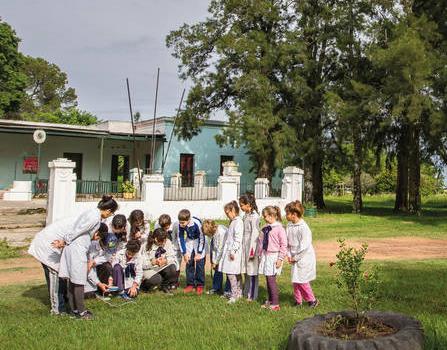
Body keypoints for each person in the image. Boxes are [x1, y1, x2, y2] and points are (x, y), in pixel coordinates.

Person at [57, 195, 118, 320]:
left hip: (74, 246)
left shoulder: (91, 212)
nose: (109, 216)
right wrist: (65, 240)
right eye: (111, 214)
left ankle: (74, 310)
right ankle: (81, 312)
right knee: (78, 280)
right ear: (108, 211)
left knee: (73, 279)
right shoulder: (95, 217)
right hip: (76, 247)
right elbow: (79, 230)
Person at [285, 200, 319, 308]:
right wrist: (289, 255)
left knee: (302, 280)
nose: (286, 216)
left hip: (304, 258)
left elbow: (304, 247)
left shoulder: (303, 228)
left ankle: (312, 300)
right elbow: (287, 242)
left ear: (294, 214)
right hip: (294, 256)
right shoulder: (289, 225)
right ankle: (298, 301)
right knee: (295, 280)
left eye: (287, 213)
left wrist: (296, 257)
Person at [258, 206, 287, 311]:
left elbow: (284, 245)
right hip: (266, 255)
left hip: (274, 256)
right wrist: (259, 253)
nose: (264, 218)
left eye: (265, 216)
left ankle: (275, 303)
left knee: (271, 280)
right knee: (267, 278)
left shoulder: (279, 229)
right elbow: (261, 242)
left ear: (271, 216)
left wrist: (280, 259)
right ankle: (270, 300)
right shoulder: (266, 228)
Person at [218, 201, 244, 304]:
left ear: (233, 211)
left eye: (227, 213)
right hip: (230, 250)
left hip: (234, 252)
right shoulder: (233, 221)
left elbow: (238, 238)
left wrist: (233, 251)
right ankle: (238, 292)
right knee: (234, 273)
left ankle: (235, 294)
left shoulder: (238, 222)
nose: (227, 215)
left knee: (232, 273)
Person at [175, 209, 206, 295]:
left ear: (188, 220)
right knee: (189, 262)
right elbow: (180, 238)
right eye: (180, 222)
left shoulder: (197, 223)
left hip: (199, 241)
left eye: (183, 223)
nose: (181, 225)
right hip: (189, 241)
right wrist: (184, 253)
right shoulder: (180, 224)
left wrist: (199, 252)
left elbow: (202, 237)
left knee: (199, 264)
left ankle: (200, 284)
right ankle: (190, 284)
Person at [141, 228, 177, 294]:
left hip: (162, 266)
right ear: (155, 238)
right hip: (149, 268)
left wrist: (166, 260)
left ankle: (164, 286)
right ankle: (144, 287)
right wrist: (152, 263)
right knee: (157, 279)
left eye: (164, 240)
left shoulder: (167, 242)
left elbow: (172, 257)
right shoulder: (146, 245)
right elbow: (142, 264)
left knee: (173, 268)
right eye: (161, 241)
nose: (163, 243)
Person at [239, 193, 260, 301]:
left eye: (242, 205)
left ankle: (252, 295)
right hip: (245, 245)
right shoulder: (246, 215)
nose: (240, 207)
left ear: (249, 204)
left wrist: (252, 251)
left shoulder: (255, 217)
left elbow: (255, 235)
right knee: (246, 270)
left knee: (252, 271)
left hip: (252, 247)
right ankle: (246, 291)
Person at [202, 219, 227, 295]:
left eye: (208, 234)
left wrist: (215, 262)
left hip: (225, 254)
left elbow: (220, 248)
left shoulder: (221, 232)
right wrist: (213, 261)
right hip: (218, 254)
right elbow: (214, 248)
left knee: (228, 273)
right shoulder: (214, 233)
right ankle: (216, 288)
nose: (208, 236)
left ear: (211, 230)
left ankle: (228, 290)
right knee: (217, 271)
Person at [155, 214, 181, 287]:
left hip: (174, 245)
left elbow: (178, 237)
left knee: (176, 264)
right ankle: (163, 281)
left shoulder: (176, 225)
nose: (165, 229)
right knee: (163, 262)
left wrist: (175, 248)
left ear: (170, 224)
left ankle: (174, 282)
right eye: (163, 228)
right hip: (163, 245)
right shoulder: (157, 225)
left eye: (167, 227)